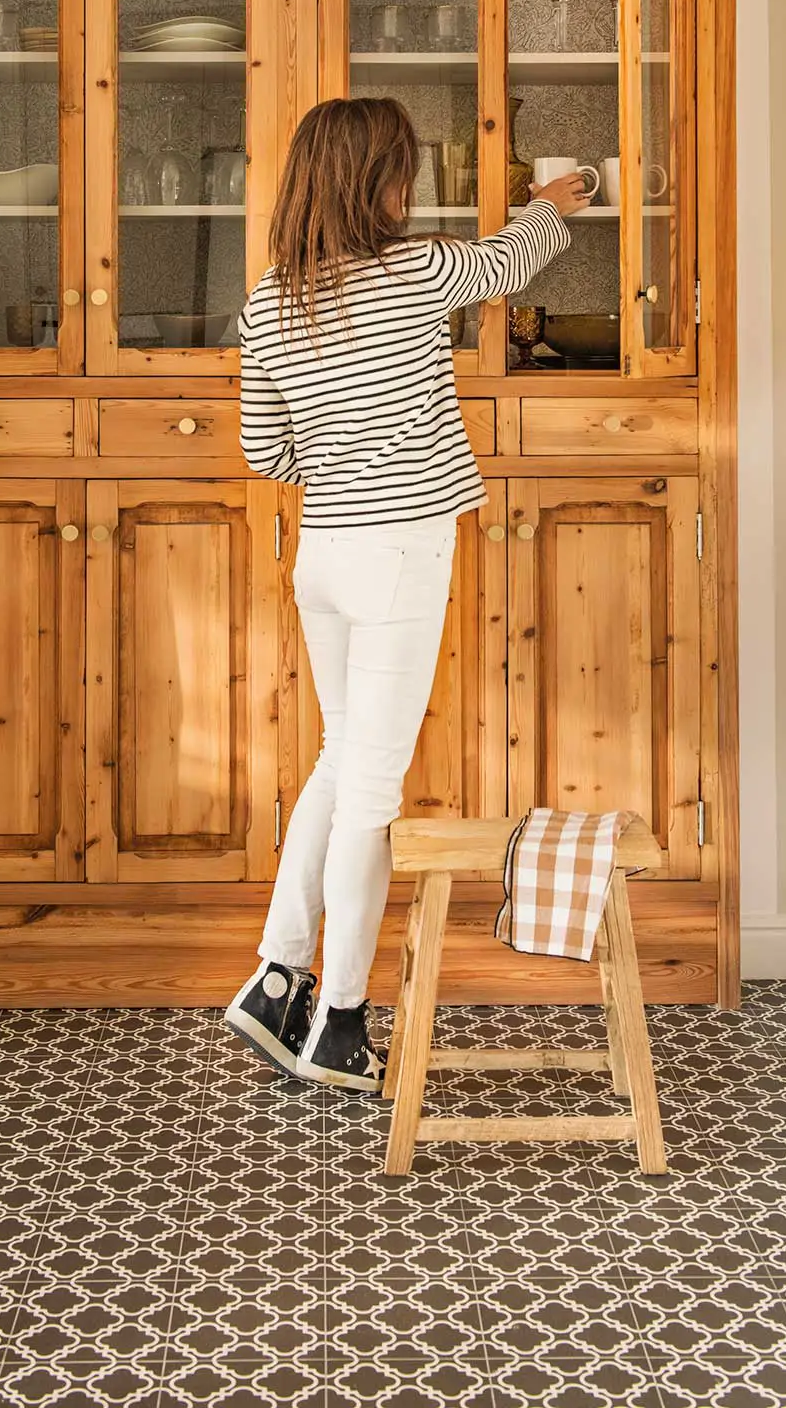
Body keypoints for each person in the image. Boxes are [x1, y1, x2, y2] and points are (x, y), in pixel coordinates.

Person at [224, 97, 589, 1091]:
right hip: (399, 554)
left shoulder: (268, 302)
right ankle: (339, 1018)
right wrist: (557, 199)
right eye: (405, 170)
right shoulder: (417, 268)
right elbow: (506, 262)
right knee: (370, 791)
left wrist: (334, 455)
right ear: (380, 184)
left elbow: (264, 452)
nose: (412, 186)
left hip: (327, 553)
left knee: (341, 763)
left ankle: (272, 979)